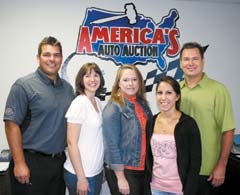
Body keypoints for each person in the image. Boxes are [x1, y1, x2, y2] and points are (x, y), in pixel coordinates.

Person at [3, 36, 75, 195]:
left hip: (58, 163)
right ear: (38, 58)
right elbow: (11, 125)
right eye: (47, 54)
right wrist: (20, 163)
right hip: (30, 162)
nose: (52, 59)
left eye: (56, 55)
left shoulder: (68, 90)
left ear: (61, 58)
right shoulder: (23, 85)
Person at [179, 42, 235, 195]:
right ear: (180, 63)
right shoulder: (176, 91)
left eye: (195, 59)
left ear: (203, 61)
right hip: (181, 169)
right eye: (186, 59)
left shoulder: (218, 90)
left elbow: (228, 130)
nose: (191, 63)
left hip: (208, 170)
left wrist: (221, 165)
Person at [146, 75, 201, 195]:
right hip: (156, 188)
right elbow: (148, 157)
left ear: (177, 96)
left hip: (179, 189)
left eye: (169, 93)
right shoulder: (151, 122)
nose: (163, 97)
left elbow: (195, 163)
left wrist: (189, 190)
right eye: (159, 93)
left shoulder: (188, 124)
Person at [102, 65, 153, 195]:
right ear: (118, 83)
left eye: (134, 79)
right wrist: (120, 177)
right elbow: (111, 145)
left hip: (143, 169)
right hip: (125, 171)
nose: (130, 84)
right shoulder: (113, 108)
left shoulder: (143, 105)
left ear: (140, 82)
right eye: (125, 80)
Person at [63, 62, 105, 195]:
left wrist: (101, 168)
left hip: (95, 172)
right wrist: (81, 178)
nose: (92, 79)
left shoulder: (97, 102)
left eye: (96, 75)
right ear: (81, 80)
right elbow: (71, 143)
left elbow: (97, 139)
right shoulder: (79, 103)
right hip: (81, 174)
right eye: (87, 76)